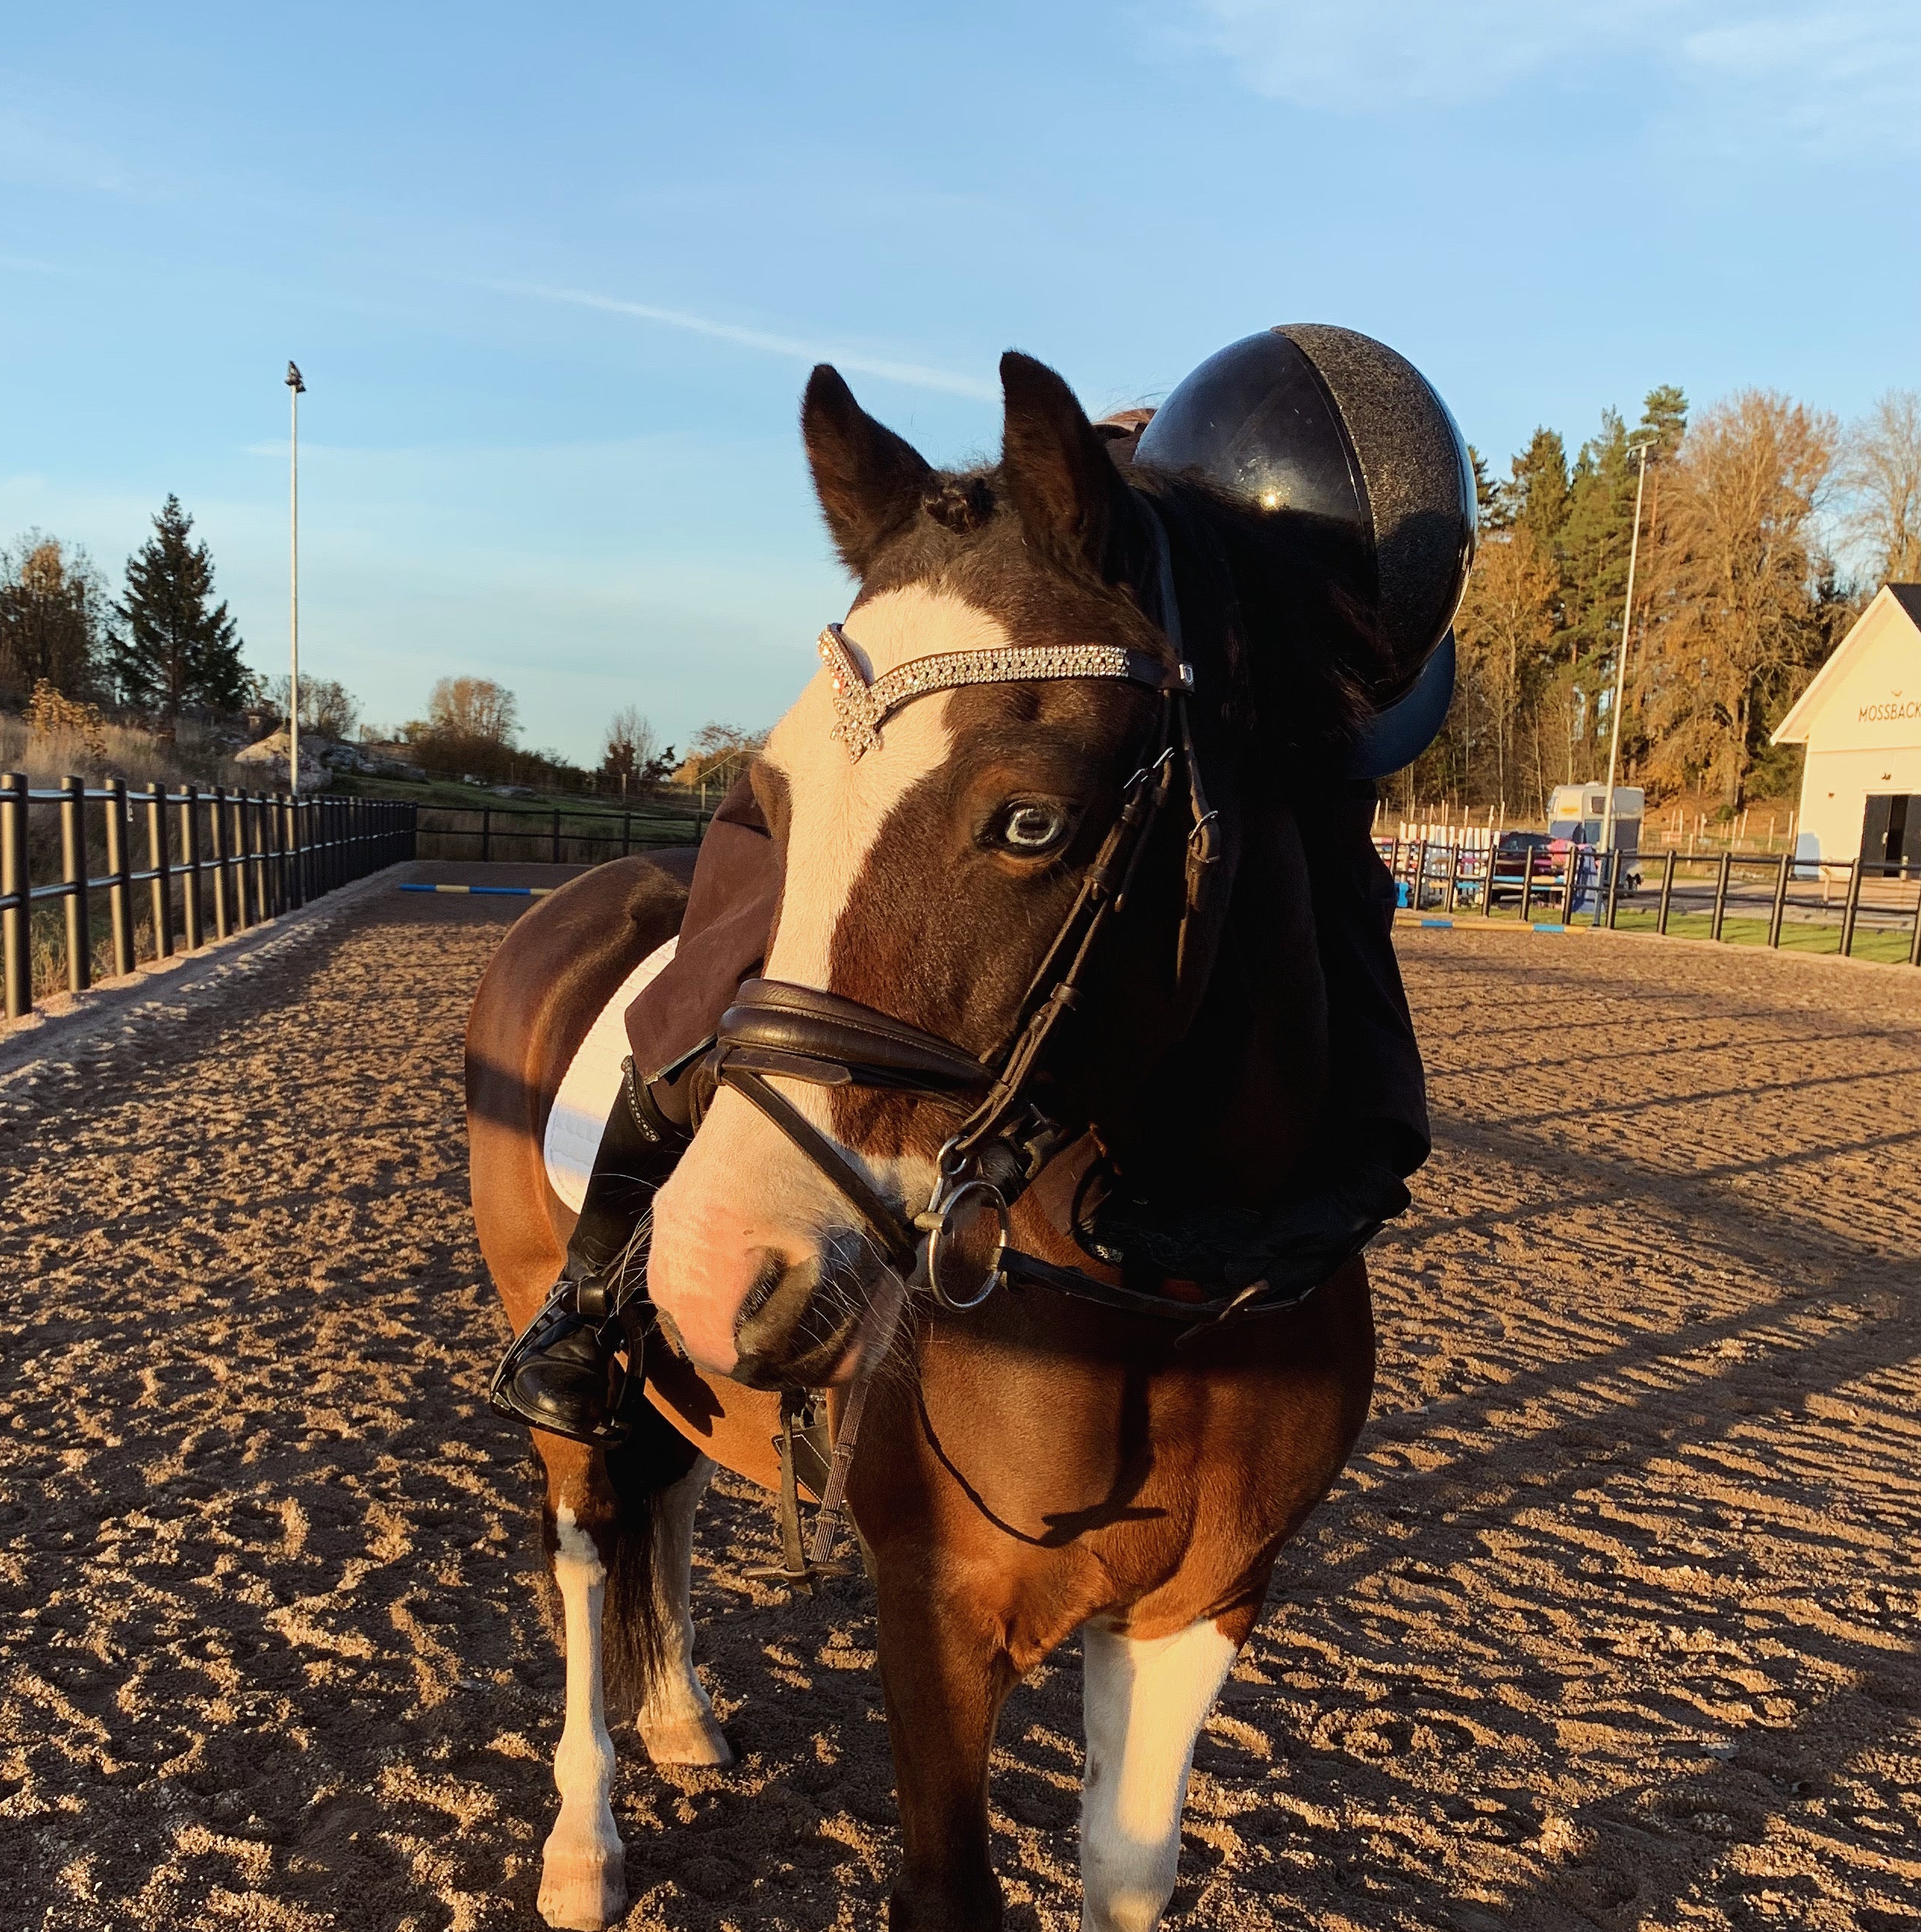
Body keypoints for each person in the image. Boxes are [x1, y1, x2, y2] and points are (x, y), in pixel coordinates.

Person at [491, 325, 1472, 1443]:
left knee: (1346, 887)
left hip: (1212, 726)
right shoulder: (1079, 523)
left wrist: (1365, 1141)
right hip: (925, 745)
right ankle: (588, 1289)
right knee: (736, 931)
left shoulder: (1296, 626)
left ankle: (1360, 1157)